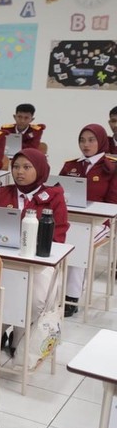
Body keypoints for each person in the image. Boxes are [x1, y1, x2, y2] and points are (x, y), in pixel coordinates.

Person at [0, 148, 69, 352]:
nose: (19, 172)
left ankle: (18, 330)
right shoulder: (2, 193)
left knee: (35, 299)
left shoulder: (54, 196)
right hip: (4, 256)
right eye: (15, 167)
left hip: (38, 262)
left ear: (40, 169)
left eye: (26, 167)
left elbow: (58, 236)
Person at [59, 124, 117, 316]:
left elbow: (112, 204)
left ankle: (72, 297)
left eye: (91, 140)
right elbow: (56, 193)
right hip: (70, 219)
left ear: (101, 141)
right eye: (82, 140)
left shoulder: (112, 166)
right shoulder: (71, 165)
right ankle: (54, 293)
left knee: (77, 244)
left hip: (100, 223)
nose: (86, 144)